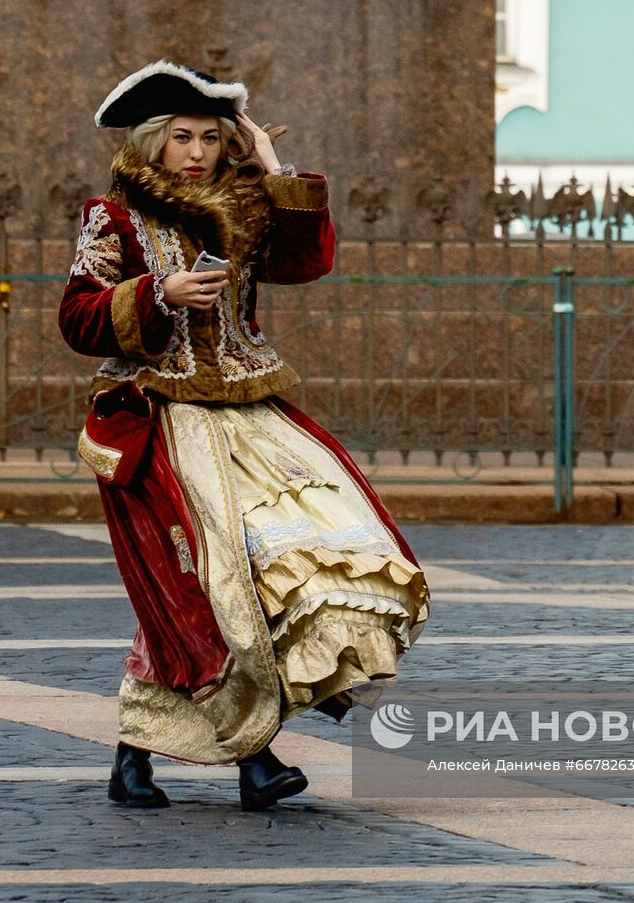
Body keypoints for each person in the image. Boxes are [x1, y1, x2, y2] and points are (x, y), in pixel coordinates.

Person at [57, 60, 430, 812]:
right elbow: (77, 315)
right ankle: (253, 759)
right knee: (211, 588)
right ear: (154, 142)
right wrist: (156, 294)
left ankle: (140, 756)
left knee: (308, 547)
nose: (196, 152)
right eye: (182, 137)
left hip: (250, 413)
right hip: (161, 417)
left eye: (210, 137)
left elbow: (308, 261)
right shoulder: (117, 215)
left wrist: (272, 166)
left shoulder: (243, 202)